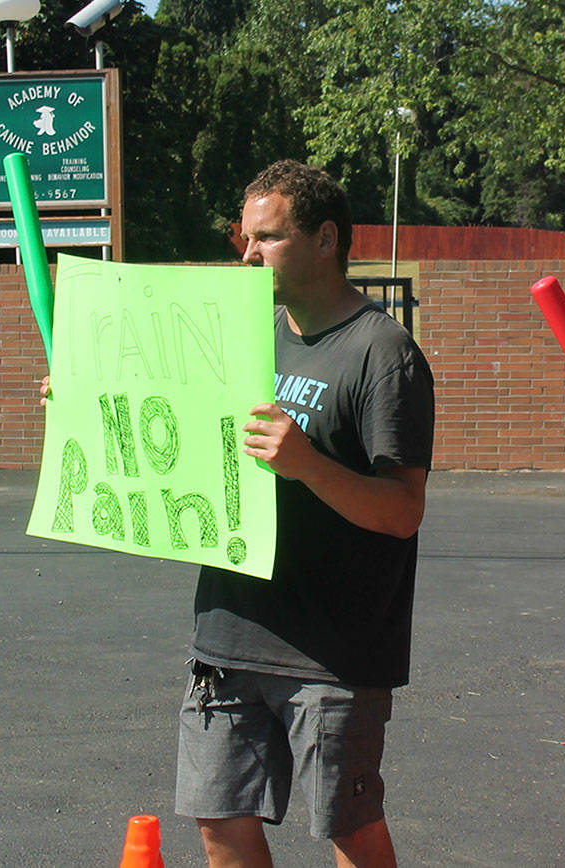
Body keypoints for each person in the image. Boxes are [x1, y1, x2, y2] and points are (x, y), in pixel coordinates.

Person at [174, 160, 436, 867]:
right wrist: (81, 404)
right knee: (218, 820)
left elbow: (404, 510)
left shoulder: (384, 354)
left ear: (326, 239)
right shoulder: (246, 335)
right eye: (246, 239)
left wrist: (307, 465)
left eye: (268, 239)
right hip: (230, 628)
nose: (249, 255)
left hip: (332, 650)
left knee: (347, 828)